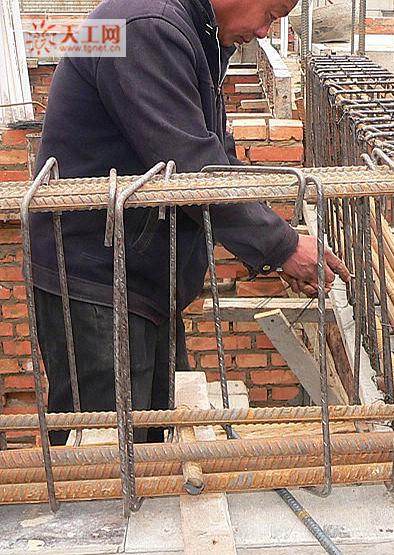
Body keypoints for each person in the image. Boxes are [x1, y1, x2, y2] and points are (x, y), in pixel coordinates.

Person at [29, 0, 349, 446]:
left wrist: (280, 240)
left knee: (151, 442)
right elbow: (191, 166)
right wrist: (282, 248)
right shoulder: (147, 27)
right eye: (272, 13)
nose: (264, 31)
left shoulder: (188, 31)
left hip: (134, 276)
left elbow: (216, 158)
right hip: (98, 283)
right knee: (105, 464)